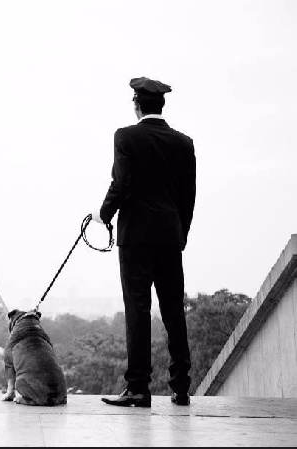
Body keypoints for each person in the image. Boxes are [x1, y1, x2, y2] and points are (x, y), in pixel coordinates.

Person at [91, 77, 196, 407]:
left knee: (138, 309)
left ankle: (138, 387)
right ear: (160, 105)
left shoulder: (126, 136)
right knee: (173, 311)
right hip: (169, 236)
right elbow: (187, 197)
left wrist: (103, 215)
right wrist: (181, 235)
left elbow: (121, 184)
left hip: (135, 236)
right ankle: (180, 388)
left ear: (136, 104)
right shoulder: (184, 143)